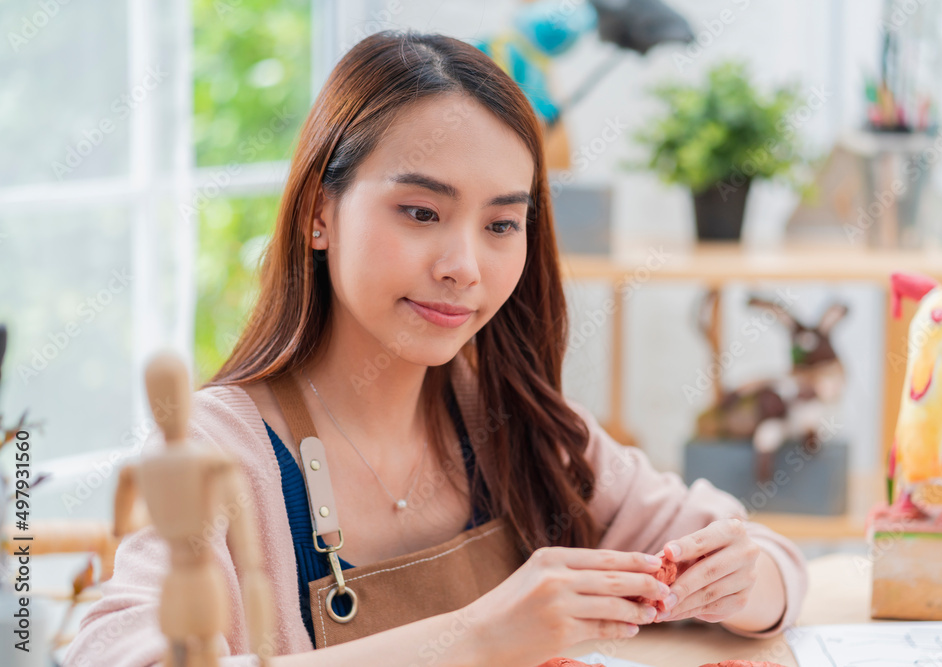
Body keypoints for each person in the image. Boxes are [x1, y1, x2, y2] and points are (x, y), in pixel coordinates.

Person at [64, 30, 807, 667]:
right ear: (320, 214)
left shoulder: (517, 421)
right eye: (421, 211)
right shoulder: (218, 451)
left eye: (500, 224)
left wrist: (744, 579)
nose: (464, 266)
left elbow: (766, 555)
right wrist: (476, 636)